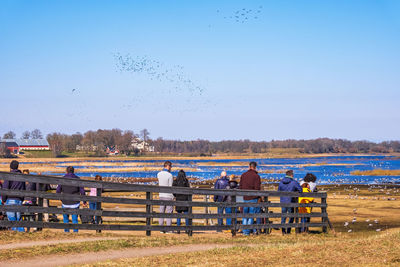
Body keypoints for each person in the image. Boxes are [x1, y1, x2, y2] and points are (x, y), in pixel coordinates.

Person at [56, 166, 86, 233]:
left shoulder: (62, 179)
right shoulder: (78, 179)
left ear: (66, 171)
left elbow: (58, 190)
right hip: (75, 202)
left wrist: (60, 198)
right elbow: (82, 191)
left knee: (65, 218)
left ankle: (66, 231)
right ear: (73, 171)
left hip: (65, 201)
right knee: (75, 219)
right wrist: (84, 201)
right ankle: (75, 232)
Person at [2, 160, 26, 232]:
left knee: (12, 220)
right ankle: (21, 234)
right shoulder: (22, 176)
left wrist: (4, 199)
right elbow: (24, 188)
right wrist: (22, 198)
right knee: (19, 219)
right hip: (19, 200)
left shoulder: (9, 176)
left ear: (10, 167)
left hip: (10, 199)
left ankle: (15, 234)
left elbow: (5, 188)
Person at [239, 161, 261, 236]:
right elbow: (257, 188)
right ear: (255, 167)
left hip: (244, 197)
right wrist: (258, 197)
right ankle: (247, 231)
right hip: (253, 198)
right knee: (251, 216)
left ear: (249, 166)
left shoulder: (243, 175)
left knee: (245, 216)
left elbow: (240, 187)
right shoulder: (256, 176)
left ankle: (245, 231)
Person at [278, 170, 302, 235]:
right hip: (291, 201)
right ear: (291, 175)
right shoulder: (293, 182)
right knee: (291, 216)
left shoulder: (281, 182)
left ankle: (283, 231)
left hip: (283, 201)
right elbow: (300, 190)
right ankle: (288, 230)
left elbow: (278, 191)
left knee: (283, 216)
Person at [157, 161, 174, 231]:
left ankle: (161, 227)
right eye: (171, 167)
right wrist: (173, 196)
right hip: (168, 195)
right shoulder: (170, 175)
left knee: (161, 211)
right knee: (169, 212)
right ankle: (168, 228)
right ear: (168, 166)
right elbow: (170, 186)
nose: (171, 168)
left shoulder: (159, 174)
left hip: (161, 194)